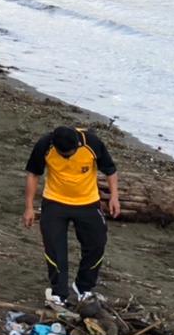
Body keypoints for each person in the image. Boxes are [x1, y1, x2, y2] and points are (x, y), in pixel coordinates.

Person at [23, 126, 120, 309]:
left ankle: (84, 287)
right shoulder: (45, 144)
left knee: (97, 244)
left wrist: (114, 197)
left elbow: (110, 171)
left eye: (70, 153)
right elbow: (33, 174)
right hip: (54, 202)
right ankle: (59, 293)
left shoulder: (92, 143)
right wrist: (29, 207)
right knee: (54, 247)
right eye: (63, 154)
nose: (67, 156)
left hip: (88, 202)